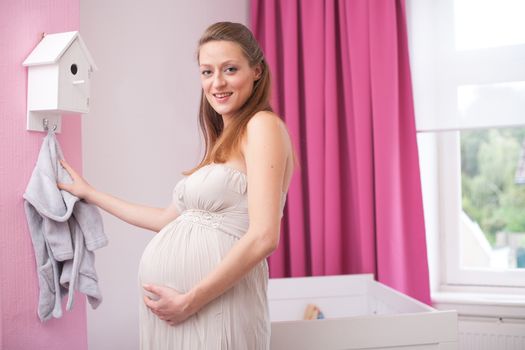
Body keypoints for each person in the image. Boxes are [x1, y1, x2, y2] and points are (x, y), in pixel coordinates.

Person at [58, 21, 295, 349]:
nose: (217, 83)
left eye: (229, 69)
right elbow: (165, 219)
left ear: (256, 71)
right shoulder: (222, 144)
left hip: (215, 306)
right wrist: (91, 193)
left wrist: (191, 300)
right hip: (182, 310)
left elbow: (264, 236)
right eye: (207, 72)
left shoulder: (262, 126)